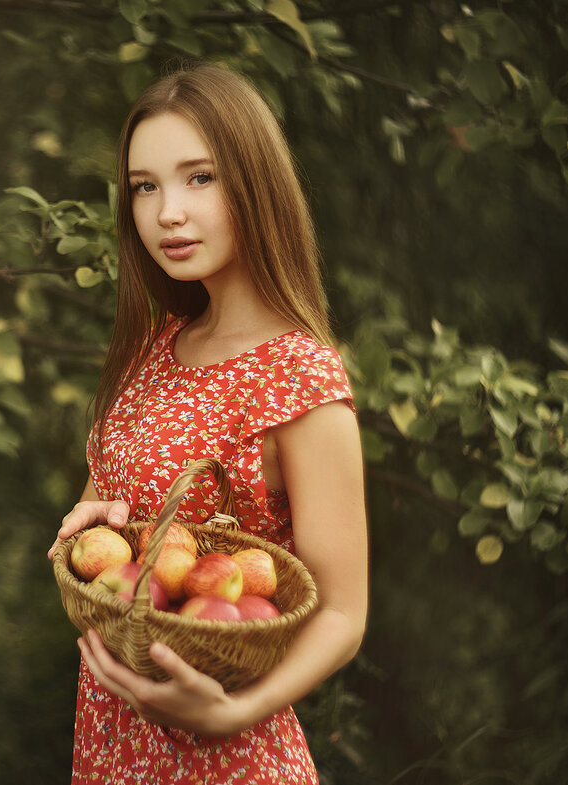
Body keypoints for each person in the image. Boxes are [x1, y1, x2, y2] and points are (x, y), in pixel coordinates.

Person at [46, 63, 369, 783]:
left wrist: (230, 714)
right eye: (145, 186)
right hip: (111, 744)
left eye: (200, 178)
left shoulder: (298, 374)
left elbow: (343, 614)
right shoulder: (157, 345)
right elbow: (127, 526)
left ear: (254, 183)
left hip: (226, 757)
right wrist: (90, 523)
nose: (168, 213)